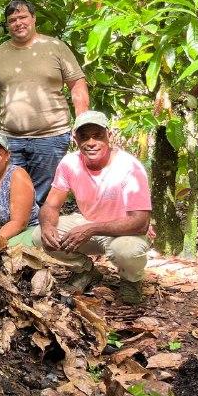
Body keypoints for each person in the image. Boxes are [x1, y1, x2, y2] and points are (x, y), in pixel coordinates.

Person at [32, 111, 151, 304]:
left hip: (125, 230)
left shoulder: (130, 166)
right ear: (75, 139)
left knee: (127, 251)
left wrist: (92, 228)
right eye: (84, 136)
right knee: (40, 235)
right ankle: (86, 270)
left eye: (97, 135)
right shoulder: (70, 163)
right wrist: (47, 226)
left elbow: (140, 223)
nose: (91, 142)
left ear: (109, 136)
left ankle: (131, 281)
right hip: (89, 223)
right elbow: (51, 206)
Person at [0, 0, 89, 206]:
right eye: (12, 20)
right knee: (11, 193)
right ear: (7, 25)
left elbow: (77, 84)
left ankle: (37, 236)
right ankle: (15, 235)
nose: (18, 23)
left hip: (52, 137)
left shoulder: (56, 47)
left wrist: (82, 124)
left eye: (22, 17)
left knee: (44, 197)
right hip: (10, 139)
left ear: (33, 18)